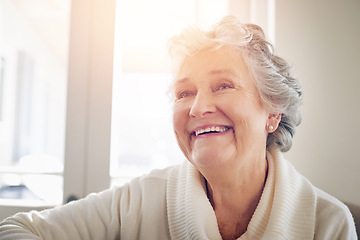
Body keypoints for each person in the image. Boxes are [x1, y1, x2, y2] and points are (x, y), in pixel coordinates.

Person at [0, 16, 357, 240]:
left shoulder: (327, 225)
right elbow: (16, 229)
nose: (199, 107)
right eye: (185, 92)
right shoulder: (139, 200)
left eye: (223, 85)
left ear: (272, 114)